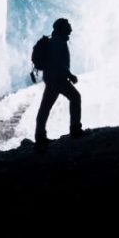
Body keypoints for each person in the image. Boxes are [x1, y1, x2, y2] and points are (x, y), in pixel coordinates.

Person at [32, 18, 83, 151]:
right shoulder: (58, 42)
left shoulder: (57, 40)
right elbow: (58, 63)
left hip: (52, 78)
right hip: (57, 78)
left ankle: (40, 136)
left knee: (45, 107)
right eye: (68, 25)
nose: (70, 26)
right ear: (62, 28)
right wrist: (69, 75)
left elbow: (57, 63)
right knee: (75, 97)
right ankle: (75, 129)